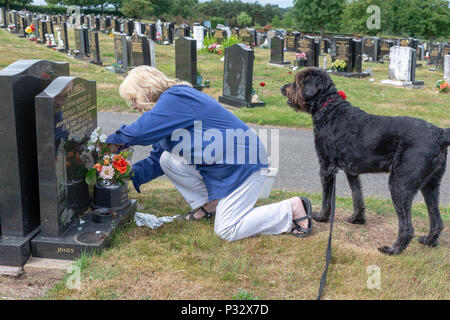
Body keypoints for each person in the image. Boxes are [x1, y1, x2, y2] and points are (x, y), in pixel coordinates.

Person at [106, 66, 312, 241]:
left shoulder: (175, 98)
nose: (133, 105)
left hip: (243, 165)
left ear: (147, 89)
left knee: (227, 230)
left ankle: (292, 208)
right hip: (224, 167)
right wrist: (129, 173)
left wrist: (112, 143)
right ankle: (211, 205)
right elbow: (157, 159)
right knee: (167, 159)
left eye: (134, 98)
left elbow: (140, 130)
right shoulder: (167, 109)